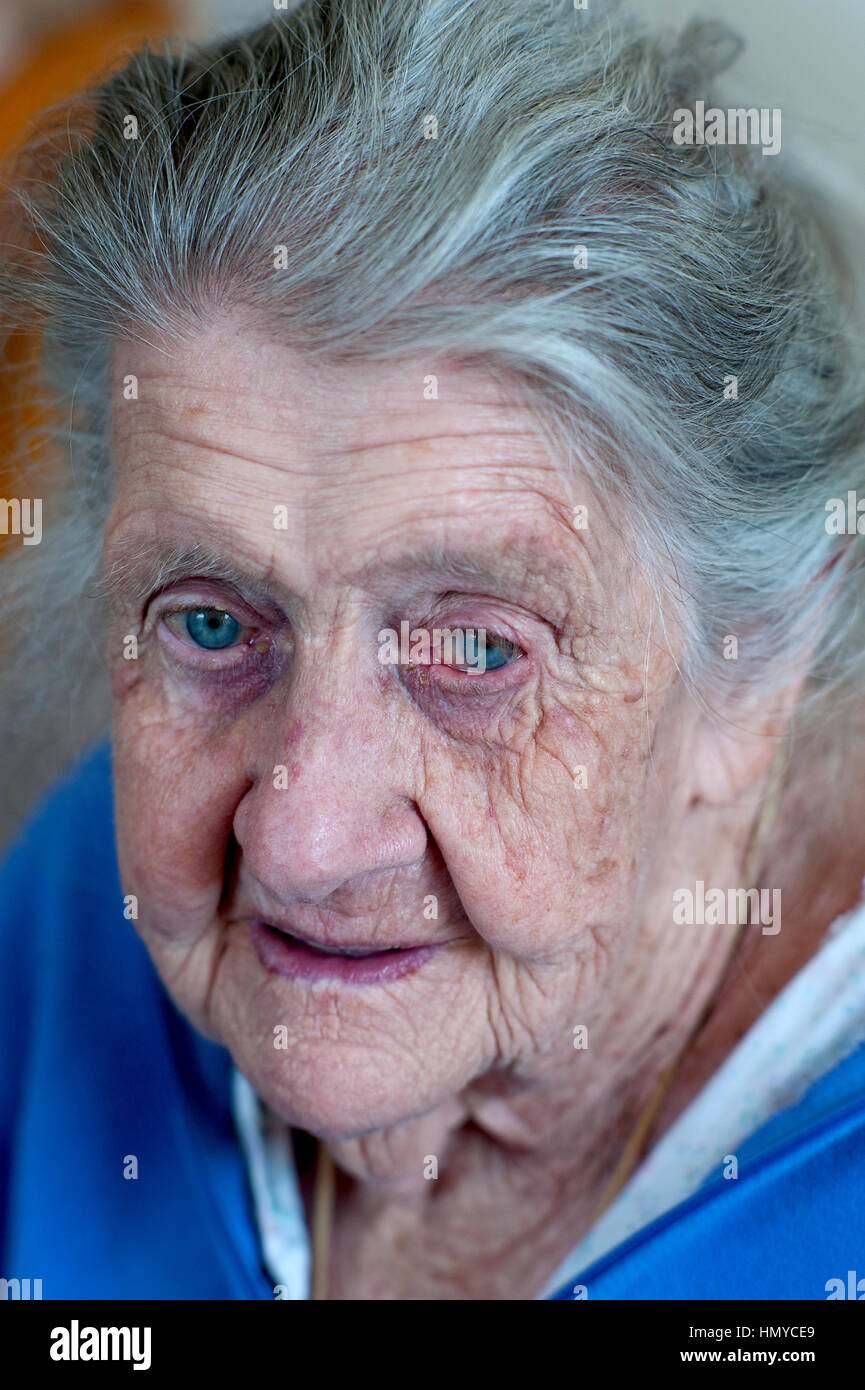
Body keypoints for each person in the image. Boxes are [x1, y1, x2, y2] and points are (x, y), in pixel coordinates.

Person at [2, 0, 865, 1301]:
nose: (296, 842)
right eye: (211, 621)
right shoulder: (80, 908)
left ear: (751, 665)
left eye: (473, 646)